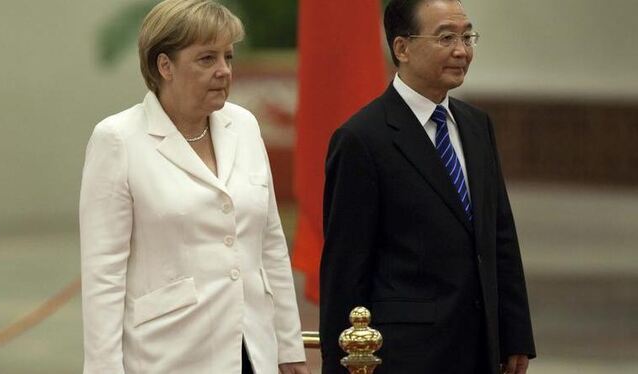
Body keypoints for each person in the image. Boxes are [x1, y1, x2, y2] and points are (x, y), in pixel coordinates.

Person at [79, 1, 309, 373]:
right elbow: (103, 274)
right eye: (206, 59)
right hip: (169, 353)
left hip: (253, 347)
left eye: (228, 57)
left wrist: (289, 345)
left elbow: (270, 243)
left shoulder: (245, 125)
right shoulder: (118, 139)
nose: (223, 71)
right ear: (164, 66)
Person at [319, 1, 536, 373]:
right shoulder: (362, 138)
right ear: (401, 48)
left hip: (480, 348)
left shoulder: (475, 125)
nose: (462, 50)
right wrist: (342, 363)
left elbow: (499, 235)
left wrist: (515, 334)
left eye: (468, 37)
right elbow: (345, 266)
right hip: (405, 354)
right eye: (446, 37)